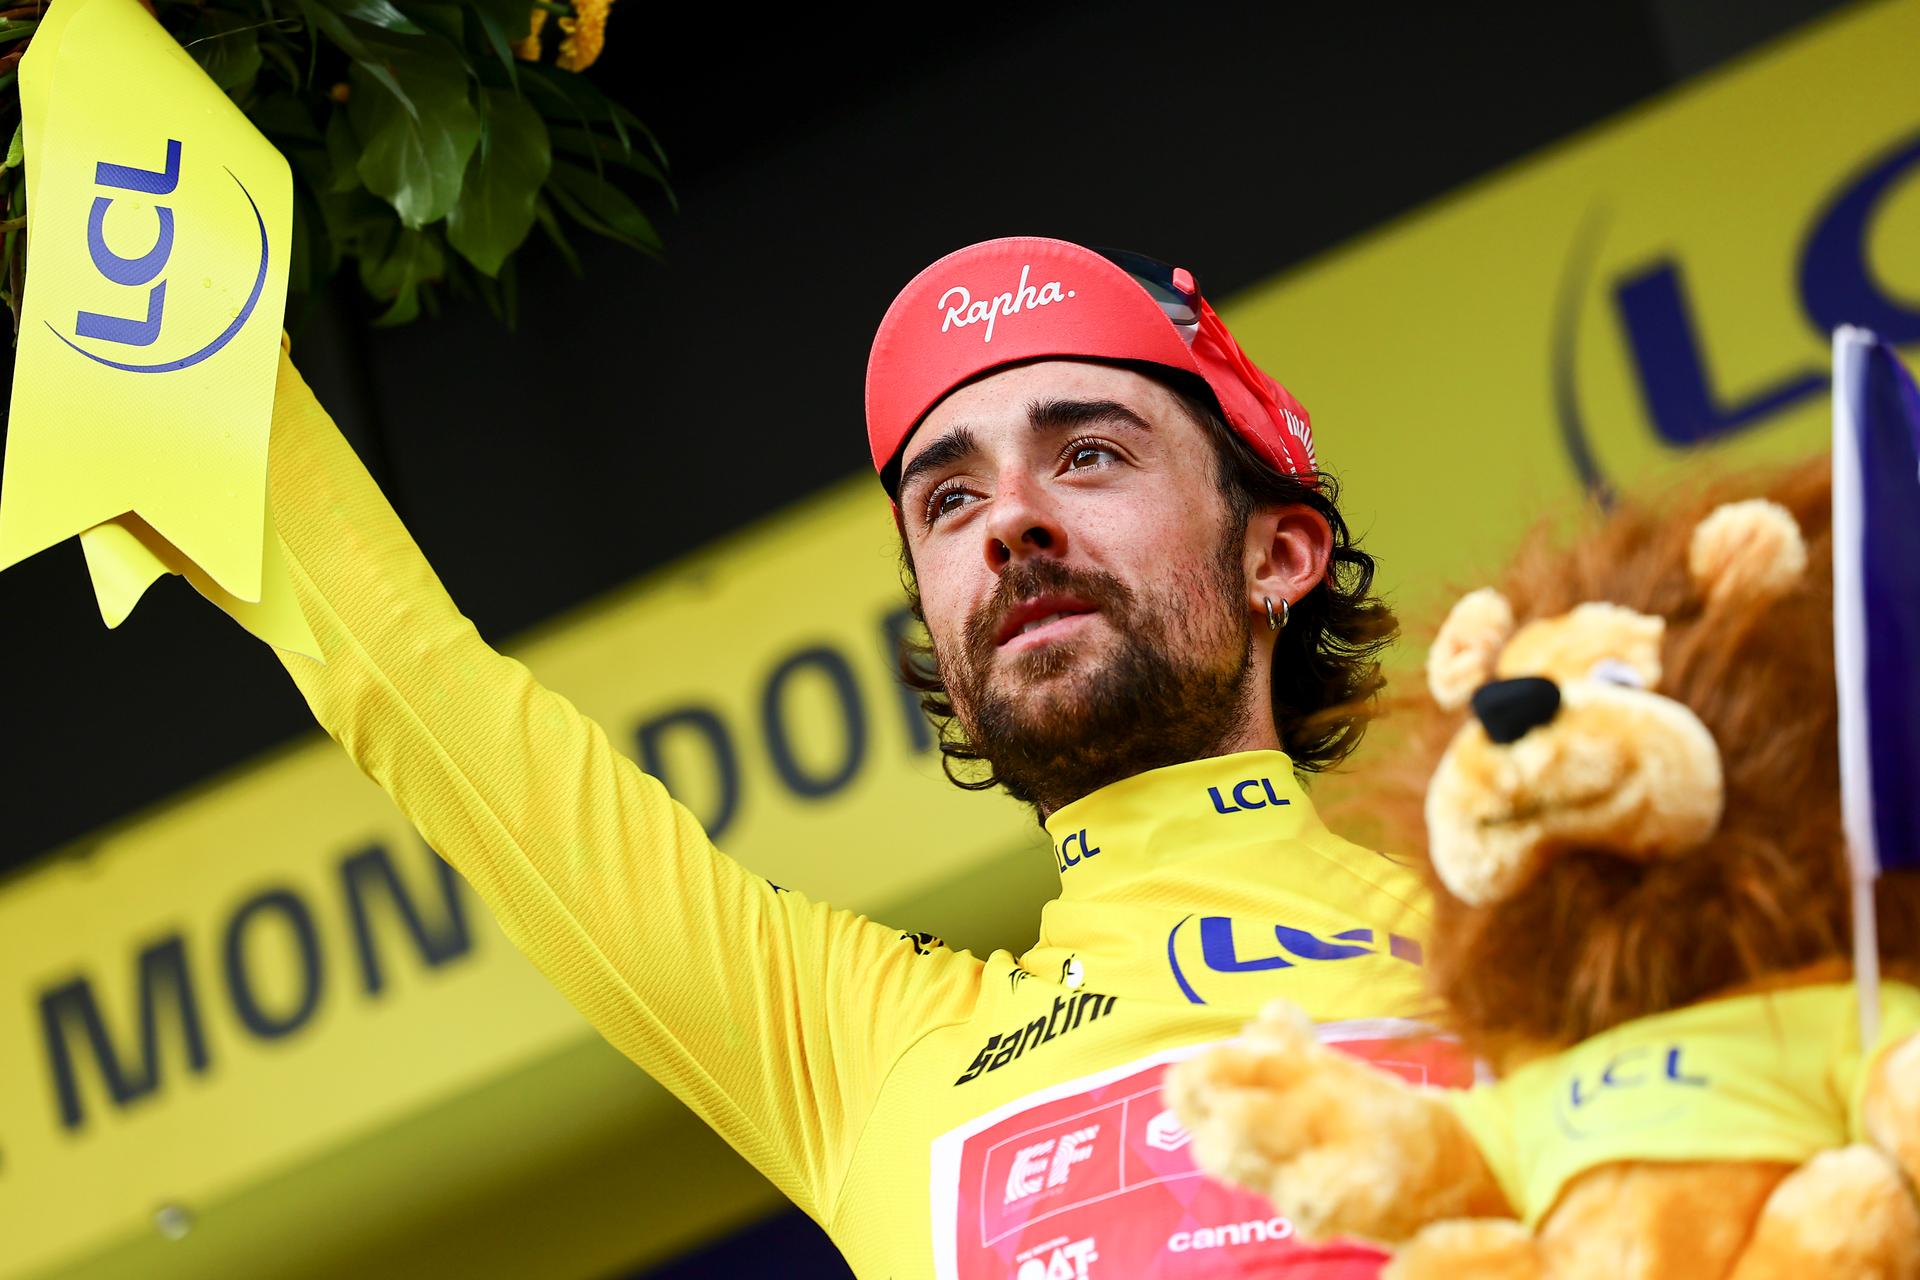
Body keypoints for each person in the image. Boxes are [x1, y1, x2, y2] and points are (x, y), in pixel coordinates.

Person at [231, 237, 1456, 1278]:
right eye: (949, 501)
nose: (1011, 522)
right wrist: (186, 316)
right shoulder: (862, 1048)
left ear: (1278, 554)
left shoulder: (1523, 940)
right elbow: (426, 697)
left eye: (1089, 453)